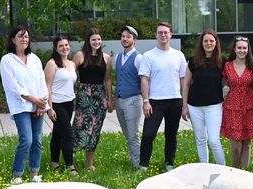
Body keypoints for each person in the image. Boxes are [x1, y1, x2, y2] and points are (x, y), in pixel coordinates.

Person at [0, 27, 48, 184]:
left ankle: (35, 173)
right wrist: (34, 100)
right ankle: (17, 175)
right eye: (21, 36)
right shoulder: (7, 60)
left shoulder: (34, 59)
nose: (24, 39)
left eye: (27, 36)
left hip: (38, 104)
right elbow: (13, 87)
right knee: (26, 139)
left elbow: (42, 81)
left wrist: (42, 104)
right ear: (13, 39)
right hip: (21, 105)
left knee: (37, 140)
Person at [139, 22, 187, 171]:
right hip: (155, 102)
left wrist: (184, 102)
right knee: (148, 135)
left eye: (166, 32)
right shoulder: (148, 56)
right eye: (160, 32)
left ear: (170, 35)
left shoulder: (178, 55)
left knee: (171, 135)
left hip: (175, 101)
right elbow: (144, 79)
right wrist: (146, 101)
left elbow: (183, 79)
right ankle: (143, 165)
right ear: (156, 35)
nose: (163, 35)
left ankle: (169, 164)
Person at [182, 29, 226, 165]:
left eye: (211, 41)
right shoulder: (193, 61)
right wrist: (184, 106)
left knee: (213, 140)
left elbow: (224, 82)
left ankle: (222, 169)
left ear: (216, 43)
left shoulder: (222, 61)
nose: (208, 43)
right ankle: (204, 166)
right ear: (201, 43)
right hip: (194, 106)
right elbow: (186, 84)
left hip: (214, 106)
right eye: (205, 40)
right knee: (200, 139)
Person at [72, 28, 113, 171]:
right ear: (88, 41)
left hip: (99, 97)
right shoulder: (80, 55)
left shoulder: (106, 58)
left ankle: (89, 164)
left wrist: (109, 99)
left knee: (95, 130)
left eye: (99, 39)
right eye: (93, 39)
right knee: (80, 127)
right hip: (84, 97)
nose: (97, 42)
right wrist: (76, 84)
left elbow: (107, 79)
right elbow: (70, 74)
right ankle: (69, 160)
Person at [221, 36, 253, 168]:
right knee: (235, 143)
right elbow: (220, 85)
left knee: (247, 142)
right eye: (239, 48)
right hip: (232, 107)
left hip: (249, 107)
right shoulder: (227, 66)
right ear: (235, 50)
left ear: (248, 50)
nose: (242, 50)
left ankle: (245, 173)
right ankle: (235, 170)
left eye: (244, 48)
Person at [44, 36, 77, 175]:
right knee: (68, 134)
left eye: (66, 45)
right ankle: (70, 166)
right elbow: (47, 86)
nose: (64, 48)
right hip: (56, 104)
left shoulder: (71, 63)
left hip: (69, 103)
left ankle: (54, 162)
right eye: (61, 46)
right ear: (56, 48)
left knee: (58, 133)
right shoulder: (52, 64)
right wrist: (49, 108)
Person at [114, 25, 143, 169]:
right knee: (127, 134)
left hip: (133, 100)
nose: (125, 39)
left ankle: (139, 165)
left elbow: (144, 80)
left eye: (128, 37)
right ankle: (137, 159)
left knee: (133, 135)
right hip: (119, 100)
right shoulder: (118, 57)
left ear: (134, 40)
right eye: (123, 36)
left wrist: (146, 100)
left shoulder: (138, 58)